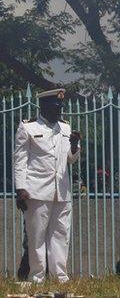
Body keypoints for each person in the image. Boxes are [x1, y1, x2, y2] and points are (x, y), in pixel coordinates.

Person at [14, 88, 80, 283]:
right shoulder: (28, 128)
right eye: (55, 104)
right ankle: (37, 276)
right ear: (44, 106)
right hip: (36, 190)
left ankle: (61, 275)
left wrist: (75, 146)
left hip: (61, 190)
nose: (60, 108)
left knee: (61, 234)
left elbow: (71, 159)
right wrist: (20, 188)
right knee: (37, 237)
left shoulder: (65, 128)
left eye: (61, 105)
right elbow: (20, 160)